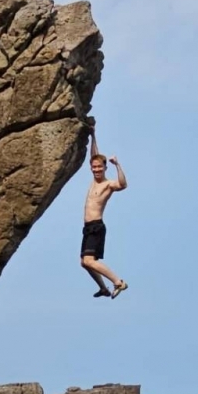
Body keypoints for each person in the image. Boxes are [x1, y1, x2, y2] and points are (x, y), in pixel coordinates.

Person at [80, 120, 129, 299]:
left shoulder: (108, 184)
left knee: (89, 260)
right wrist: (93, 135)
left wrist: (117, 165)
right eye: (94, 167)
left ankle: (118, 282)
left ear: (105, 168)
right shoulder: (94, 179)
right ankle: (103, 288)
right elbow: (94, 155)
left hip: (96, 227)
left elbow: (123, 184)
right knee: (84, 263)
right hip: (88, 227)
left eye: (100, 167)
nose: (97, 169)